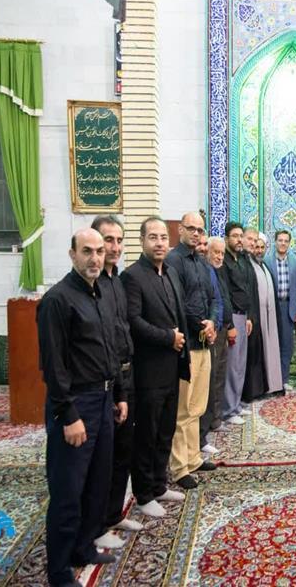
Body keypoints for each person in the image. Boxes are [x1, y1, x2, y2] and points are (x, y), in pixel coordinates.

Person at [37, 228, 125, 586]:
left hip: (103, 400)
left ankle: (83, 548)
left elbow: (110, 349)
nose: (95, 258)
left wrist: (118, 394)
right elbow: (53, 366)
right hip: (75, 404)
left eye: (100, 251)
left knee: (97, 483)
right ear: (72, 254)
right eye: (87, 251)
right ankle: (59, 571)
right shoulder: (57, 300)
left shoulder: (100, 293)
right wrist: (68, 415)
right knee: (68, 491)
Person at [121, 217, 189, 517]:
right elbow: (133, 321)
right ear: (142, 241)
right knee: (146, 434)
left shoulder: (170, 272)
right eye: (153, 237)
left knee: (165, 429)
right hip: (149, 370)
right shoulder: (132, 276)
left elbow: (178, 313)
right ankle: (144, 493)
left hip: (172, 366)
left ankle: (159, 484)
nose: (160, 243)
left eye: (163, 237)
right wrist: (168, 338)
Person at [91, 216, 143, 551]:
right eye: (107, 240)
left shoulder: (117, 282)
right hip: (102, 382)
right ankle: (95, 525)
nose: (114, 247)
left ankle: (113, 514)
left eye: (118, 240)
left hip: (125, 376)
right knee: (102, 459)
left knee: (123, 450)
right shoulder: (91, 286)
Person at [164, 212, 220, 490]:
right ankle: (180, 466)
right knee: (183, 410)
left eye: (200, 229)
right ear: (180, 230)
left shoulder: (201, 262)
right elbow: (177, 303)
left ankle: (194, 457)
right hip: (186, 345)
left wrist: (212, 321)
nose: (196, 233)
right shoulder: (173, 261)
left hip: (204, 342)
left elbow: (212, 298)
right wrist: (202, 323)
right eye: (191, 229)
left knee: (197, 406)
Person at [222, 222, 256, 426]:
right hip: (232, 317)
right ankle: (227, 410)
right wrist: (230, 325)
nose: (238, 239)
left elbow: (246, 290)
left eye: (240, 235)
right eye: (234, 236)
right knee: (231, 365)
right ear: (227, 239)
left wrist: (249, 316)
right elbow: (225, 294)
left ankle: (236, 404)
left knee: (240, 364)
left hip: (244, 316)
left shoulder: (242, 260)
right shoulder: (224, 261)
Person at [201, 236, 233, 454]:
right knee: (210, 379)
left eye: (222, 253)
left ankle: (216, 419)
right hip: (210, 332)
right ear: (207, 252)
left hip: (222, 328)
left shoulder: (219, 272)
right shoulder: (205, 271)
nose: (220, 257)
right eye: (216, 252)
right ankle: (206, 427)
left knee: (220, 374)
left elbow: (222, 300)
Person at [244, 233, 284, 400]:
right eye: (256, 247)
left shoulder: (264, 266)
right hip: (256, 318)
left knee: (272, 349)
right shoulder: (248, 266)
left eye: (262, 247)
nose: (259, 250)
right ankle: (257, 390)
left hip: (269, 317)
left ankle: (273, 384)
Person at [265, 230, 296, 387]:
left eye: (286, 241)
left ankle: (284, 380)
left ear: (289, 243)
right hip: (272, 308)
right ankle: (272, 381)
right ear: (275, 242)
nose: (283, 243)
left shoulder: (294, 262)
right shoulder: (267, 261)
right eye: (280, 240)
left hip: (288, 308)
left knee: (287, 346)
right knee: (273, 345)